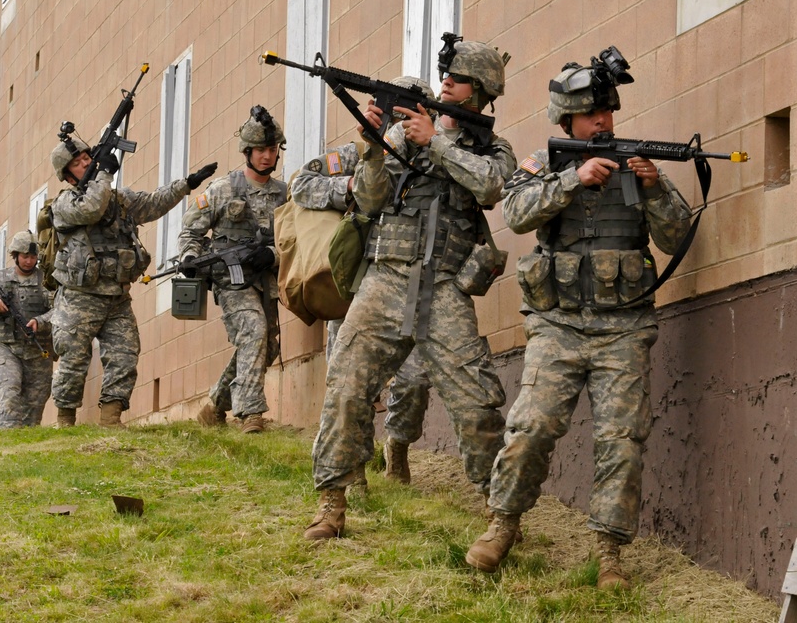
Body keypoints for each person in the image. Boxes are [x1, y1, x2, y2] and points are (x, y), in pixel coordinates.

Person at [464, 56, 693, 589]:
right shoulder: (543, 164)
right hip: (557, 325)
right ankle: (503, 524)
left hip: (624, 327)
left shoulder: (638, 166)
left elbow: (677, 238)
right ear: (566, 121)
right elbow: (516, 215)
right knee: (532, 427)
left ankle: (610, 553)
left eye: (607, 112)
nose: (602, 122)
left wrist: (655, 188)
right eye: (591, 115)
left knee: (621, 440)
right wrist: (571, 180)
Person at [305, 36, 514, 540]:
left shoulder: (493, 148)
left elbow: (491, 187)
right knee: (346, 384)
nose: (447, 80)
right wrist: (375, 148)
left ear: (479, 91)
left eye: (458, 77)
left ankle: (501, 515)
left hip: (443, 286)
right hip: (385, 277)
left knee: (475, 403)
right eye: (446, 73)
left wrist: (435, 142)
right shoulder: (401, 136)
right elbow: (371, 200)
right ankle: (332, 502)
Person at [291, 76, 436, 486]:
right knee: (350, 381)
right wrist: (350, 185)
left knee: (413, 379)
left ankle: (398, 447)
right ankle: (351, 470)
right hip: (356, 282)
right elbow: (302, 184)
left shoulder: (429, 157)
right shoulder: (354, 152)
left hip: (407, 283)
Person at [48, 131, 216, 428]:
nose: (87, 163)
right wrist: (103, 174)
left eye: (88, 157)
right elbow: (91, 208)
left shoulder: (119, 199)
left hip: (116, 296)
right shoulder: (64, 205)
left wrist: (186, 184)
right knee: (73, 361)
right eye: (78, 162)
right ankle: (65, 422)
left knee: (125, 353)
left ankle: (110, 418)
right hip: (79, 297)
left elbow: (152, 204)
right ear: (67, 175)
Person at [180, 106, 287, 434]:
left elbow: (296, 239)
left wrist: (272, 254)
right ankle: (250, 414)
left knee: (267, 346)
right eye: (260, 151)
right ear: (247, 153)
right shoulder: (223, 189)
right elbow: (191, 230)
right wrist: (189, 257)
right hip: (231, 280)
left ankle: (215, 405)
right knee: (253, 329)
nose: (267, 156)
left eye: (272, 150)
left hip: (265, 280)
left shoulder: (286, 195)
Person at [0, 231, 54, 428]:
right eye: (25, 256)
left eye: (33, 257)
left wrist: (40, 321)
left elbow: (62, 309)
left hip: (38, 350)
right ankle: (7, 437)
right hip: (6, 347)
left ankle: (26, 445)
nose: (29, 261)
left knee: (36, 401)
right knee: (10, 389)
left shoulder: (47, 281)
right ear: (15, 255)